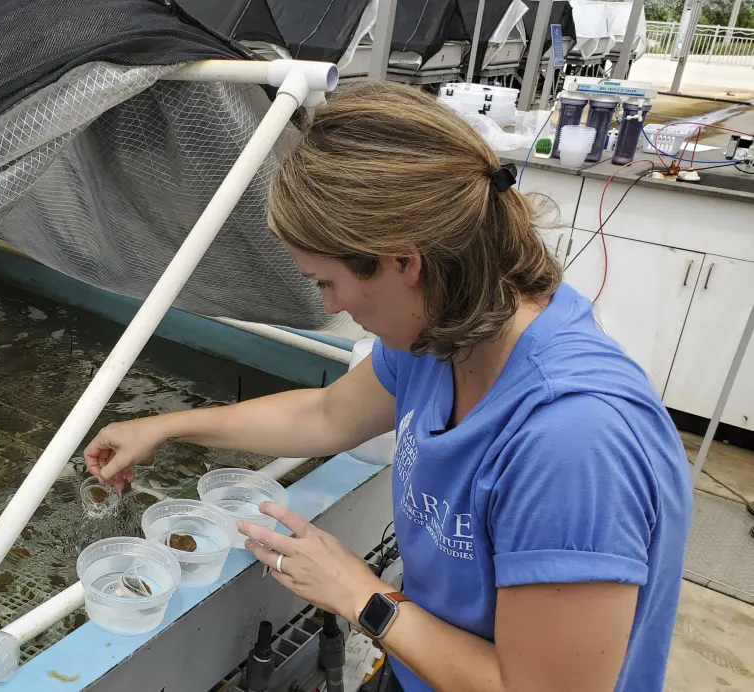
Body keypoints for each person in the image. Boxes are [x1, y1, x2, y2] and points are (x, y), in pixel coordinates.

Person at [83, 82, 692, 692]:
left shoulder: (573, 442)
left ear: (405, 261)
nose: (334, 307)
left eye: (326, 283)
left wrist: (361, 595)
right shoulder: (443, 337)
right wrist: (165, 426)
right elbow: (323, 416)